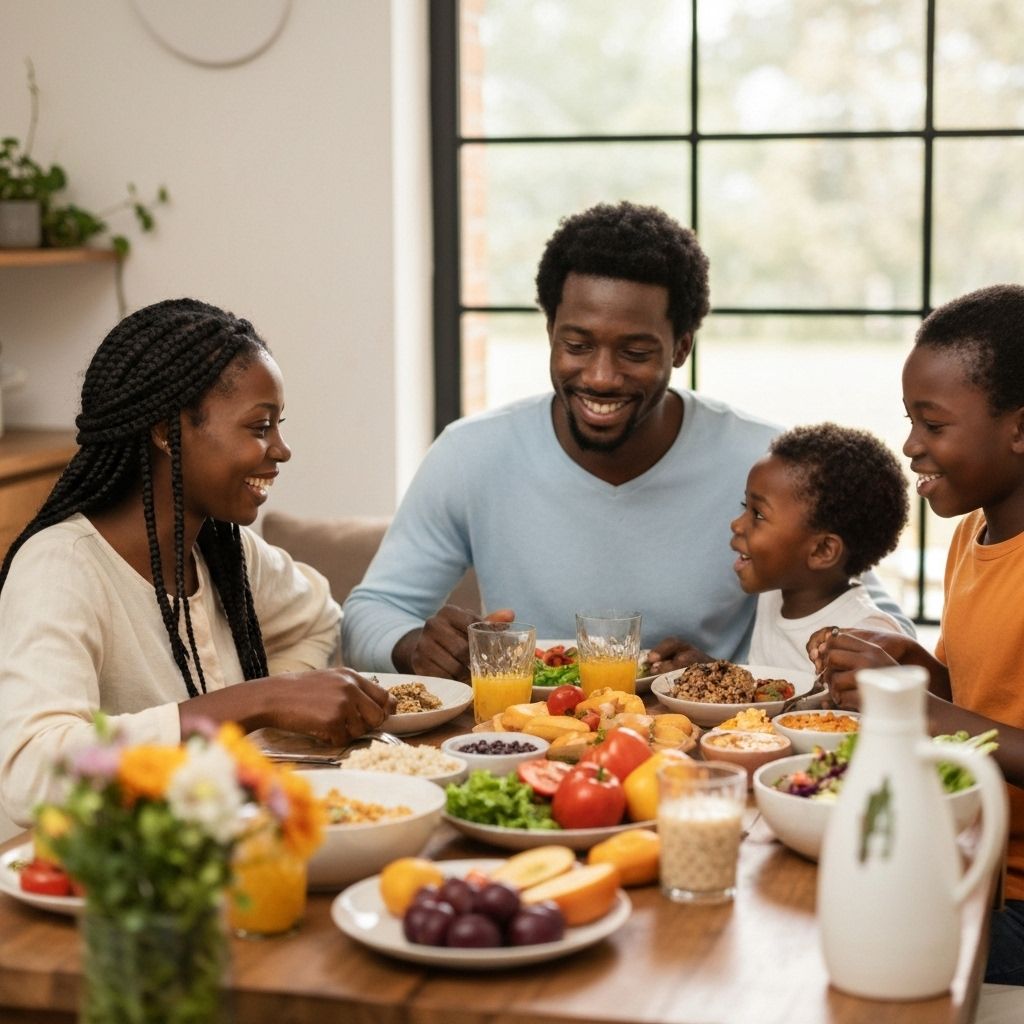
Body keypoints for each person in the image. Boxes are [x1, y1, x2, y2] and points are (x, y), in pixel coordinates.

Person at [342, 200, 911, 680]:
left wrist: (731, 675)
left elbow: (879, 628)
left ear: (681, 347)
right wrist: (414, 647)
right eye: (577, 345)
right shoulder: (472, 454)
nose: (600, 377)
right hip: (527, 737)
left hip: (711, 750)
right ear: (550, 331)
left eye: (635, 352)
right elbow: (371, 611)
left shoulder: (764, 462)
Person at [0, 298, 390, 826]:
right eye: (260, 427)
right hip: (91, 871)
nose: (282, 449)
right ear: (166, 431)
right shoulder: (59, 568)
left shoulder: (225, 550)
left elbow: (316, 618)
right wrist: (257, 701)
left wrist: (266, 728)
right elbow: (28, 772)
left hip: (210, 852)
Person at [807, 284, 1024, 986]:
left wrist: (925, 713)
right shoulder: (974, 533)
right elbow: (989, 702)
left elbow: (961, 726)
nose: (910, 446)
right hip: (968, 851)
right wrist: (921, 673)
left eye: (933, 424)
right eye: (910, 420)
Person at [731, 423, 908, 672]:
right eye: (744, 506)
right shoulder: (775, 593)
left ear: (822, 550)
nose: (737, 524)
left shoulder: (869, 637)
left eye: (758, 514)